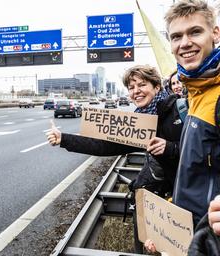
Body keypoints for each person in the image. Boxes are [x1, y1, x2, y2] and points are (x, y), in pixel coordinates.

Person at [47, 64, 184, 196]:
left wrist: (170, 148)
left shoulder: (180, 109)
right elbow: (103, 145)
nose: (136, 91)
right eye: (131, 87)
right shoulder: (140, 122)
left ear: (157, 87)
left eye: (142, 85)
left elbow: (203, 147)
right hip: (172, 191)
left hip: (196, 190)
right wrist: (63, 139)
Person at [163, 0, 220, 228]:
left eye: (195, 32)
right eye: (176, 37)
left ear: (215, 33)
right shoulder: (195, 93)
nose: (185, 43)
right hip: (190, 235)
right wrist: (169, 215)